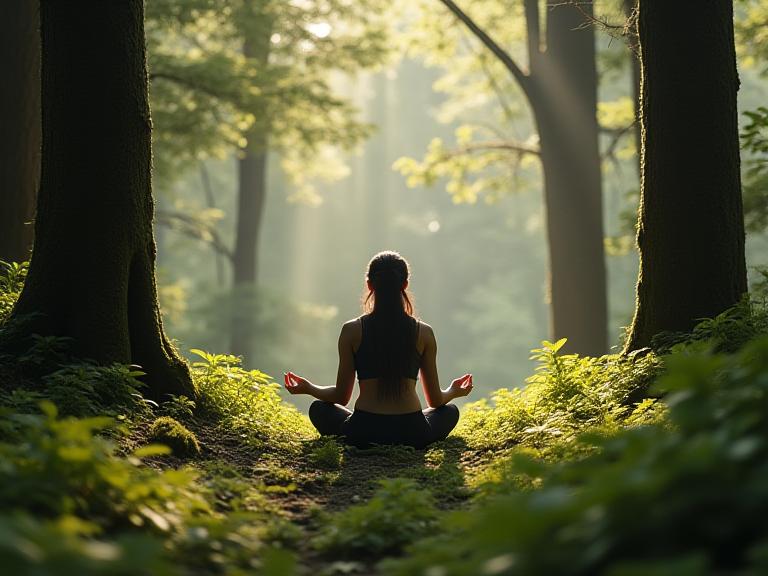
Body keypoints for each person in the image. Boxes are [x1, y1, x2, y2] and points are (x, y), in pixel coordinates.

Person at [283, 250, 473, 449]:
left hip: (363, 431)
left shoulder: (351, 330)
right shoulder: (424, 332)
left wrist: (308, 388)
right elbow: (435, 400)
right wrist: (453, 390)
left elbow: (341, 396)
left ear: (369, 284)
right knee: (450, 411)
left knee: (319, 409)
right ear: (405, 285)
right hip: (413, 432)